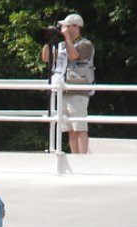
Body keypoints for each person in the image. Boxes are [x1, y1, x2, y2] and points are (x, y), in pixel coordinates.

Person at [41, 13, 95, 154]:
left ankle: (82, 159)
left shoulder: (85, 44)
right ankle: (74, 156)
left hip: (79, 90)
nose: (62, 28)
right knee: (70, 129)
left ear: (76, 27)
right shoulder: (62, 45)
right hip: (63, 89)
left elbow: (74, 56)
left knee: (80, 127)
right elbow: (46, 58)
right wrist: (48, 40)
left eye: (66, 25)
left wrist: (66, 38)